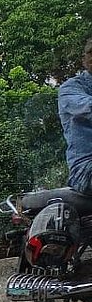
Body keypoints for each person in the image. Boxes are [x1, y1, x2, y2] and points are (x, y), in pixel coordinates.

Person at [59, 37, 92, 195]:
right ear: (84, 59)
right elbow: (87, 107)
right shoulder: (70, 88)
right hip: (86, 169)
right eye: (90, 52)